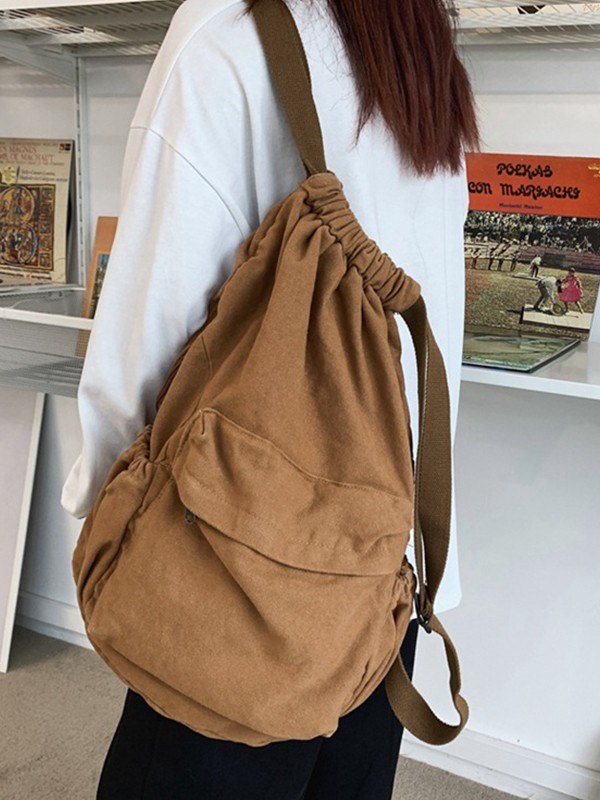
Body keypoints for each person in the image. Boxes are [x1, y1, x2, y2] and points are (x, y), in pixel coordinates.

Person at [60, 0, 480, 797]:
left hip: (240, 575)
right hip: (388, 586)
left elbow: (146, 335)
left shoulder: (227, 35)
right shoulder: (423, 57)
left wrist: (109, 529)